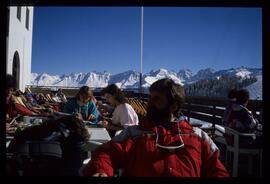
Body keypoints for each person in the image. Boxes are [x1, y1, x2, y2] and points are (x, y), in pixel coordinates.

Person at [82, 78, 229, 177]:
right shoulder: (134, 134)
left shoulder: (198, 137)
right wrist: (101, 171)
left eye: (157, 99)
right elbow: (104, 153)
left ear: (174, 106)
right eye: (150, 98)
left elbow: (217, 171)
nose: (150, 103)